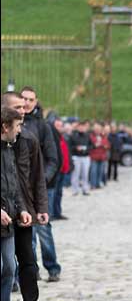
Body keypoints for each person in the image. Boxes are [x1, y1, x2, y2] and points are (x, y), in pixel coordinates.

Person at [1, 92, 49, 301]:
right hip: (4, 207)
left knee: (28, 260)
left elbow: (38, 175)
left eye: (24, 106)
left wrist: (41, 206)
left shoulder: (29, 137)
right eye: (17, 107)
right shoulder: (6, 139)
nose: (23, 110)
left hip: (24, 209)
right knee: (6, 264)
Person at [2, 107, 29, 301]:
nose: (19, 131)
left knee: (10, 268)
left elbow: (14, 186)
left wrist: (21, 209)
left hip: (8, 223)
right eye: (17, 126)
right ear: (5, 127)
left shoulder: (9, 150)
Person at [31, 111, 64, 282]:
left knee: (43, 227)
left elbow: (54, 158)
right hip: (24, 187)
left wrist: (43, 180)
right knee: (28, 230)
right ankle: (31, 269)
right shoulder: (15, 125)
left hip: (44, 186)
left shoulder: (44, 127)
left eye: (30, 100)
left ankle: (52, 266)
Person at [50, 118, 71, 220]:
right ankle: (52, 213)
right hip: (56, 170)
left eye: (60, 126)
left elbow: (66, 154)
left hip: (63, 170)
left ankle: (58, 212)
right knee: (53, 193)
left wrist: (69, 166)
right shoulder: (52, 138)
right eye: (57, 126)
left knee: (59, 193)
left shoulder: (63, 138)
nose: (59, 128)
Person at [68, 121, 92, 196]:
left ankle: (85, 189)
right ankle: (75, 190)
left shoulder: (88, 136)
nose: (81, 128)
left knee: (85, 174)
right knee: (75, 174)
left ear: (85, 128)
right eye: (80, 126)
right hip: (76, 157)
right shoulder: (73, 136)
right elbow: (69, 147)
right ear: (78, 127)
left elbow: (92, 146)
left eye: (83, 126)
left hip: (85, 157)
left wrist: (86, 149)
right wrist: (76, 148)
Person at [88, 123, 109, 189]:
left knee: (100, 172)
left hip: (102, 156)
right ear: (94, 129)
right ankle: (93, 185)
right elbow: (89, 145)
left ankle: (98, 184)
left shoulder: (103, 136)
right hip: (94, 156)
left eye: (99, 129)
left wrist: (105, 146)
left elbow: (108, 145)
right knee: (93, 172)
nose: (97, 130)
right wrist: (95, 145)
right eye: (96, 129)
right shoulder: (90, 136)